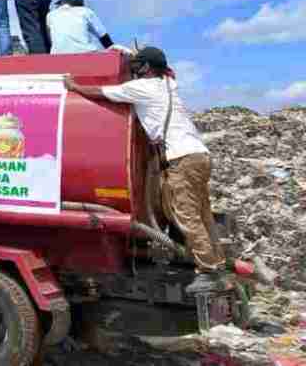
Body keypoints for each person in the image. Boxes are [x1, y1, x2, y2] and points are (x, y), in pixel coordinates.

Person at [64, 47, 228, 293]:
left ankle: (208, 272)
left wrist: (74, 87)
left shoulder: (142, 88)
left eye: (139, 66)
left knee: (186, 215)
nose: (136, 69)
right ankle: (217, 262)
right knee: (202, 213)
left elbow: (100, 92)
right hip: (199, 155)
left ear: (147, 68)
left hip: (181, 157)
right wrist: (123, 50)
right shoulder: (168, 84)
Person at [46, 0, 114, 54]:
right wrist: (113, 50)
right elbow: (103, 35)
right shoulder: (86, 11)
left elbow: (50, 39)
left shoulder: (51, 15)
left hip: (57, 55)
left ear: (63, 2)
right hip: (84, 54)